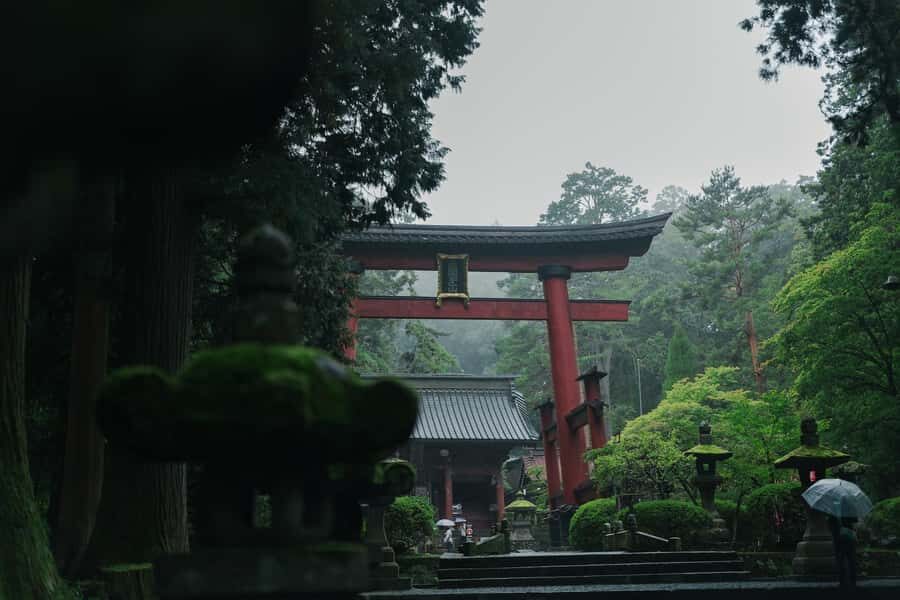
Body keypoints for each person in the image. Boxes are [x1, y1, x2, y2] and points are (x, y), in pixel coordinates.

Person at [828, 514, 858, 588]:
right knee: (851, 559)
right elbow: (854, 523)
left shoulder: (832, 509)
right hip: (849, 536)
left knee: (840, 559)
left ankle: (842, 581)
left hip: (838, 537)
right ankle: (853, 581)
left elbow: (830, 524)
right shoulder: (850, 507)